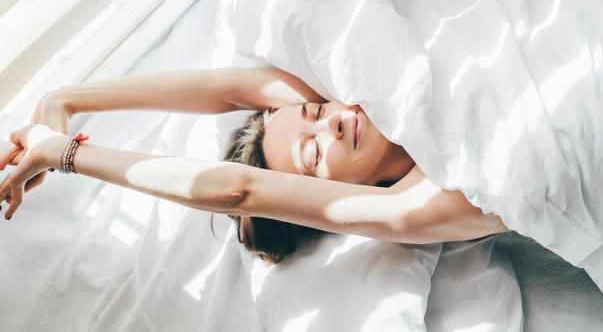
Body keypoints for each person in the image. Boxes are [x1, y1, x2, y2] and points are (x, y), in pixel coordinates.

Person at [0, 67, 508, 263]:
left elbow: (229, 90)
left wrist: (63, 97)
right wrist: (62, 154)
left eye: (315, 110)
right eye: (312, 154)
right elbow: (240, 191)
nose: (330, 123)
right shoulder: (426, 202)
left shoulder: (374, 85)